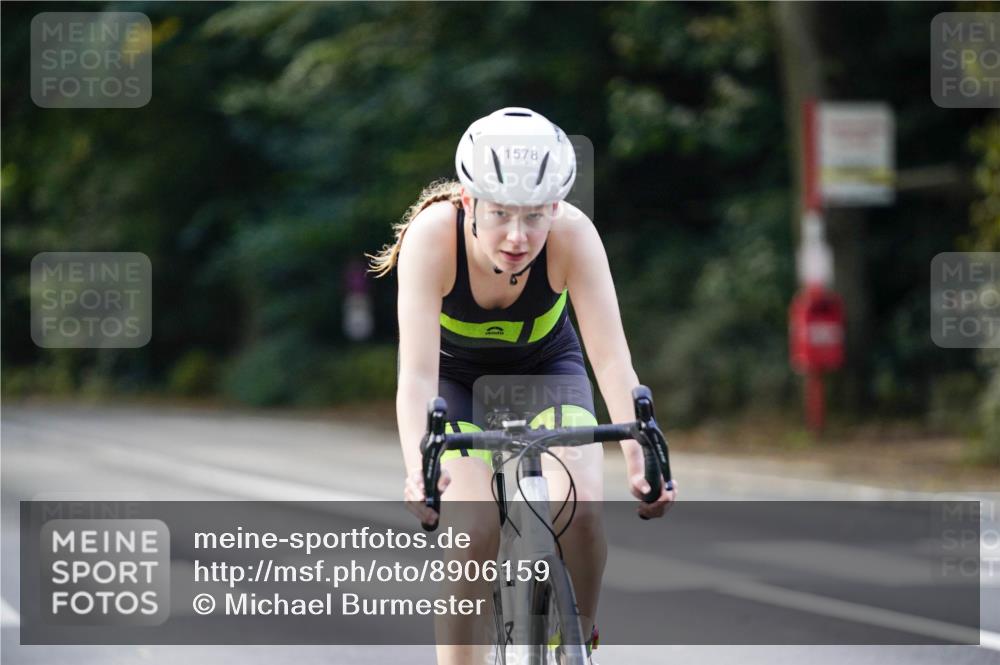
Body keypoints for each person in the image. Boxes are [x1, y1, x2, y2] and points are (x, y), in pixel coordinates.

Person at [368, 107, 676, 665]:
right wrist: (420, 468)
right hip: (455, 381)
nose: (518, 236)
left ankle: (574, 639)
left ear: (555, 207)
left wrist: (638, 460)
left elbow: (611, 361)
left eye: (535, 216)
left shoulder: (574, 236)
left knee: (581, 509)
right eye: (501, 214)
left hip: (547, 370)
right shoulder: (432, 238)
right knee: (474, 530)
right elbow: (414, 373)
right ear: (469, 203)